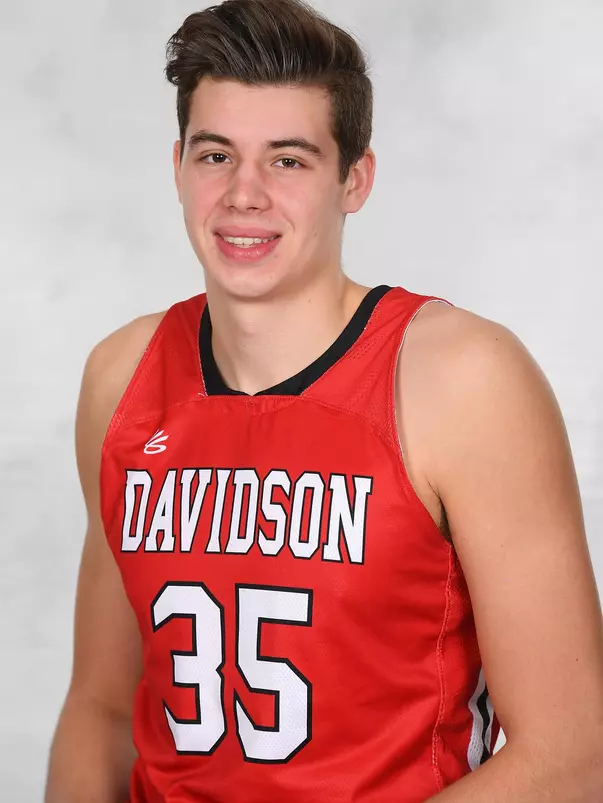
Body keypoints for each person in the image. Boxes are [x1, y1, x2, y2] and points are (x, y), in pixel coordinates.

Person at [45, 1, 603, 801]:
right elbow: (98, 709)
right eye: (215, 156)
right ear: (177, 168)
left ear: (354, 179)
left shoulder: (461, 380)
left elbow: (570, 752)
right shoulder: (121, 375)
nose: (243, 194)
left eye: (288, 161)